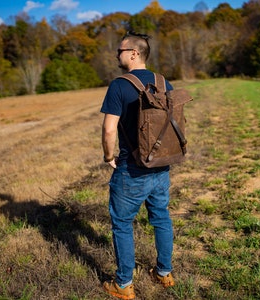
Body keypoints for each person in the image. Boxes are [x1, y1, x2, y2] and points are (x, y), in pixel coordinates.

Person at [100, 31, 175, 300]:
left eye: (120, 50)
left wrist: (109, 157)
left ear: (134, 53)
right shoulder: (165, 83)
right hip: (162, 165)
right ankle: (164, 273)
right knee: (162, 218)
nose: (116, 55)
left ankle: (123, 285)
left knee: (122, 224)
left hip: (131, 168)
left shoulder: (119, 85)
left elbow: (109, 130)